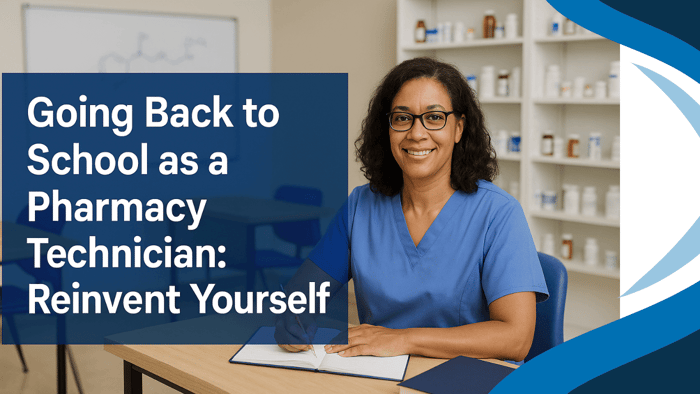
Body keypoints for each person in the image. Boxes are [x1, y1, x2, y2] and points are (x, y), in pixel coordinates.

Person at [277, 57, 548, 362]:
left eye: (434, 117)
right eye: (403, 118)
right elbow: (301, 296)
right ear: (388, 128)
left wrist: (403, 339)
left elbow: (516, 339)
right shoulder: (360, 206)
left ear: (458, 128)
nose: (416, 134)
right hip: (377, 377)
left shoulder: (498, 213)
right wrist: (294, 318)